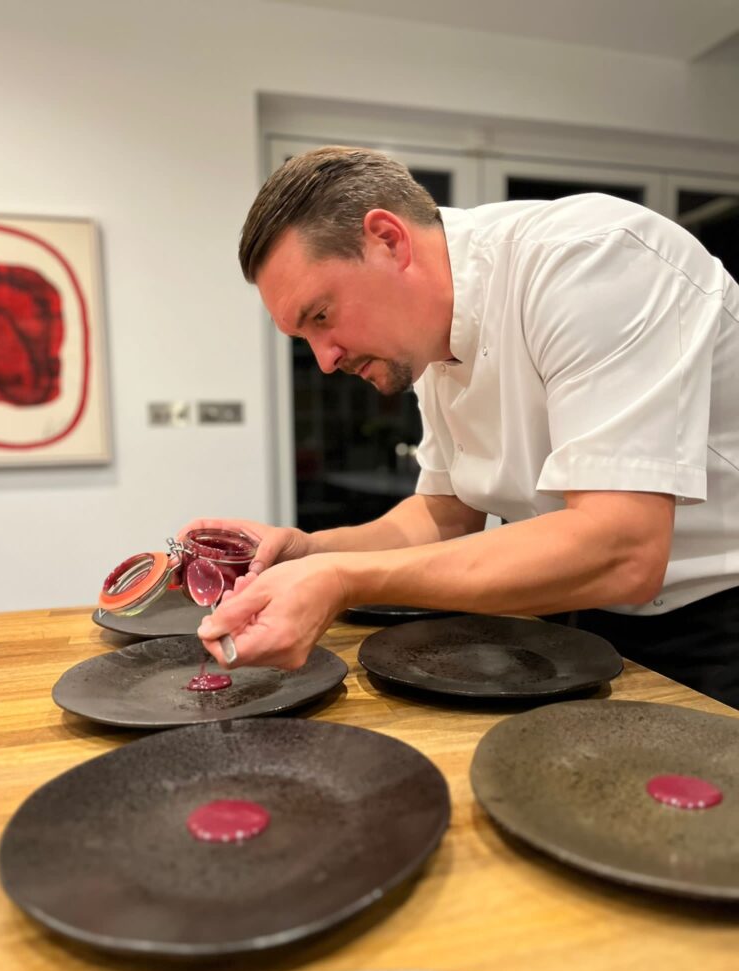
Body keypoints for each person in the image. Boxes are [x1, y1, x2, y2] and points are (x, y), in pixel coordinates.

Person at [182, 146, 739, 707]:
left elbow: (623, 547)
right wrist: (308, 553)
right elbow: (447, 514)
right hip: (578, 613)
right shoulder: (427, 338)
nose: (324, 360)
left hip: (717, 619)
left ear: (388, 240)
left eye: (321, 316)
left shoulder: (591, 261)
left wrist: (344, 579)